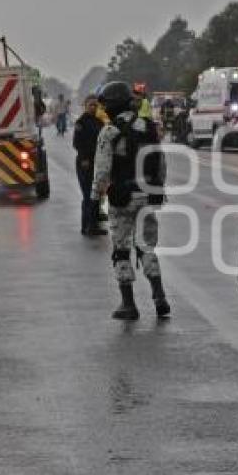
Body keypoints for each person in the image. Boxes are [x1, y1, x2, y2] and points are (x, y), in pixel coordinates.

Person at [91, 81, 169, 320]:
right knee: (147, 247)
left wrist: (95, 199)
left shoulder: (109, 131)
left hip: (122, 199)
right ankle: (159, 297)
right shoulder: (148, 127)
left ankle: (128, 304)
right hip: (147, 195)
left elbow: (102, 170)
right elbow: (161, 162)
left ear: (111, 105)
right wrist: (158, 188)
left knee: (121, 250)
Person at [72, 96, 107, 236]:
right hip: (85, 163)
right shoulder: (81, 122)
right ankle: (87, 227)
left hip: (98, 162)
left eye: (95, 105)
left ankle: (93, 224)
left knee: (96, 194)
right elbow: (77, 143)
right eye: (90, 105)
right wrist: (85, 158)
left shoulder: (99, 122)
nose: (93, 107)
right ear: (85, 106)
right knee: (88, 195)